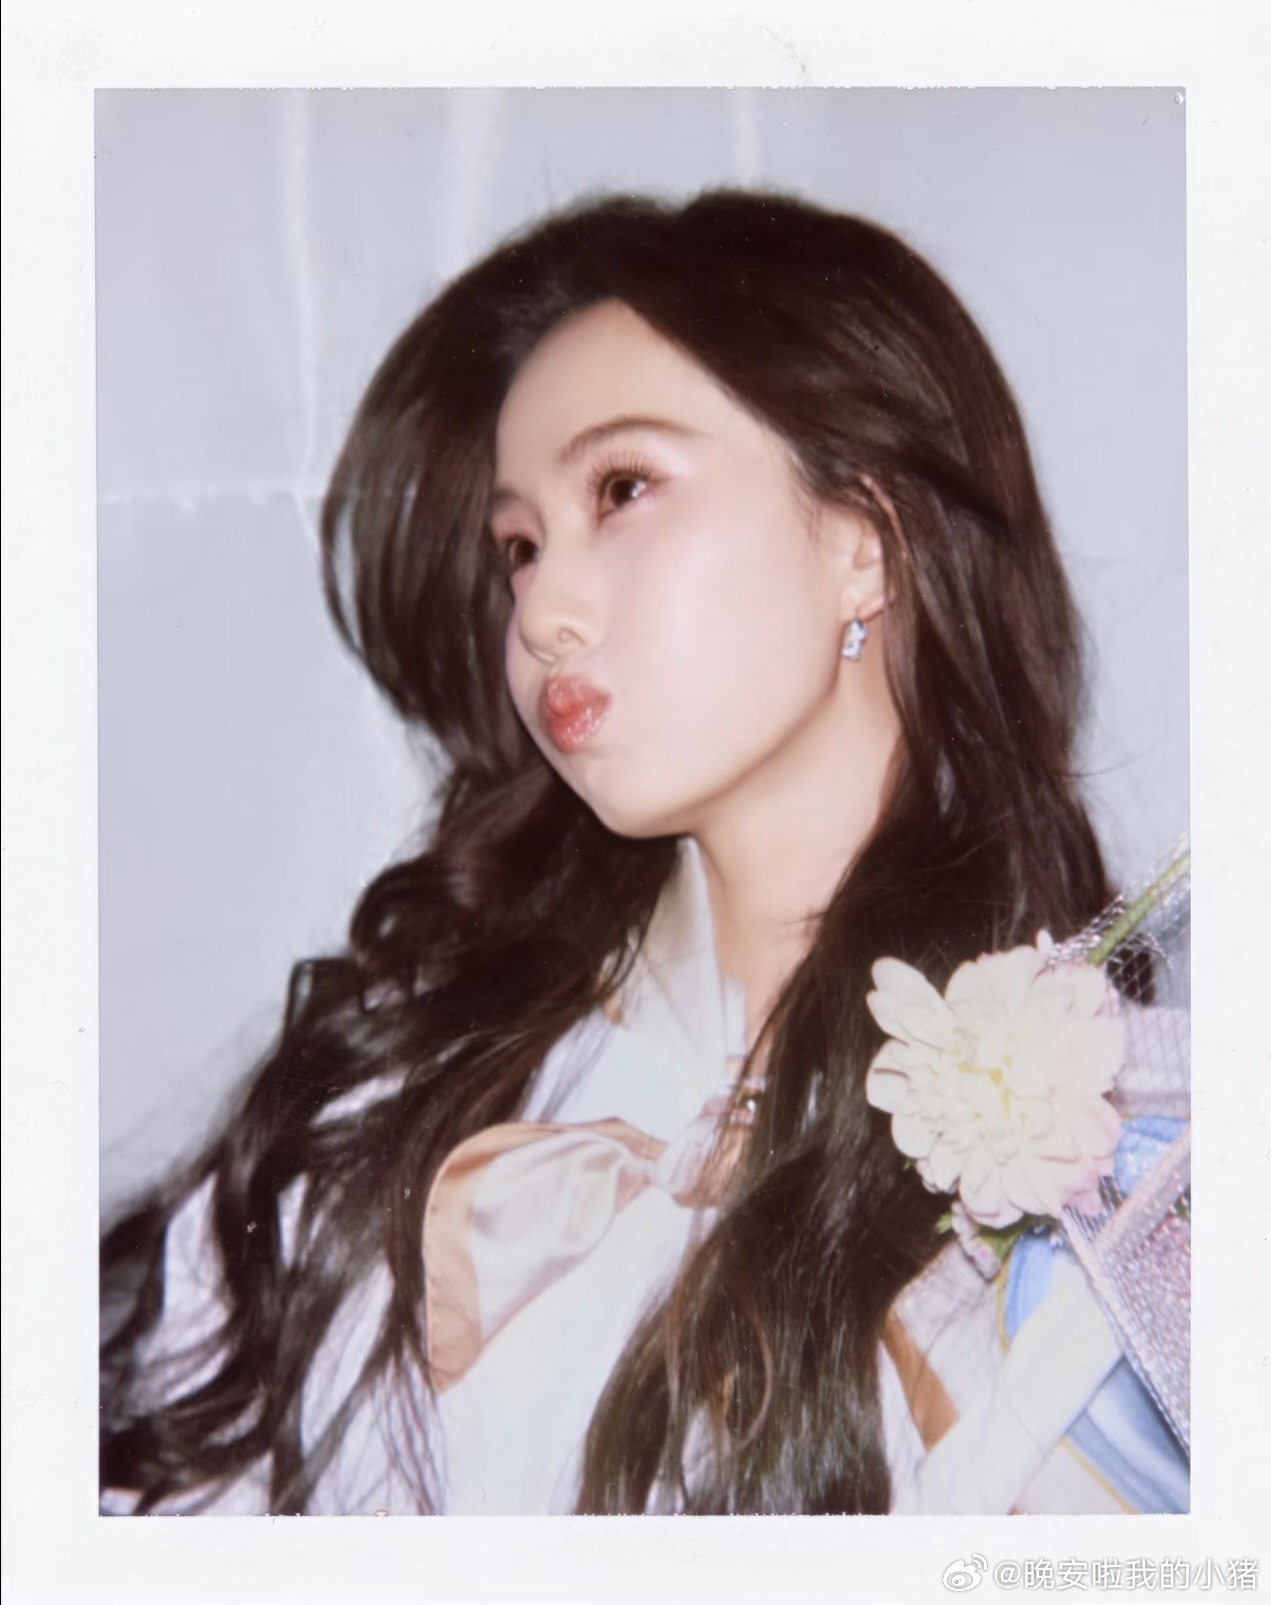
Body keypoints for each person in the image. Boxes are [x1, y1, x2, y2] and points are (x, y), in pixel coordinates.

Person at [99, 188, 1188, 1516]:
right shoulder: (412, 1085)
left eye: (622, 489)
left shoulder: (1097, 1175)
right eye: (519, 547)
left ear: (865, 538)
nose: (542, 609)